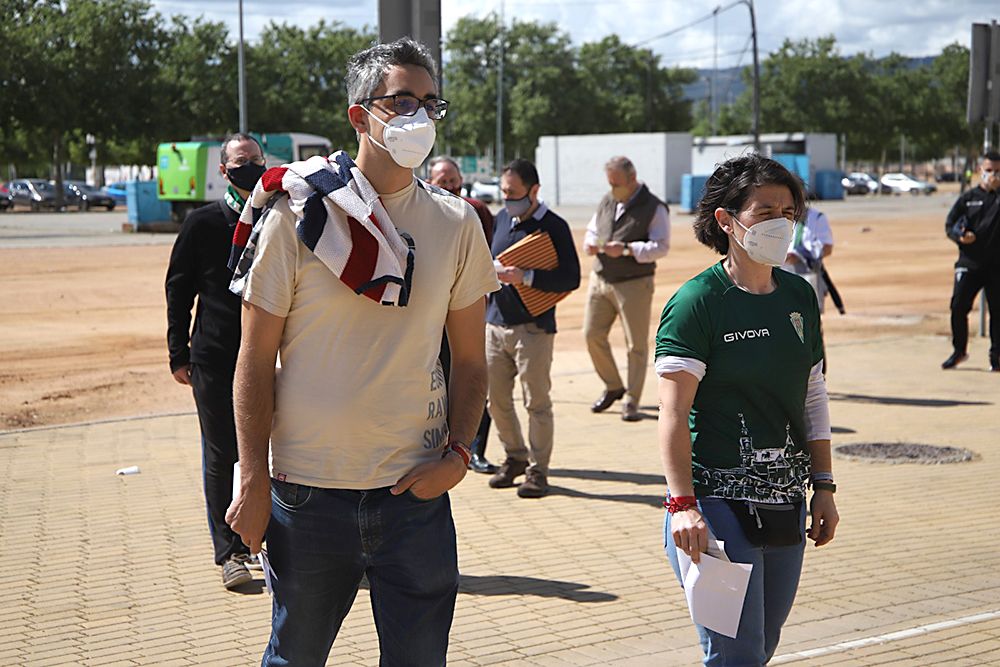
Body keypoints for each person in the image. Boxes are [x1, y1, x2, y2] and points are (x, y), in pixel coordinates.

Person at [224, 38, 500, 665]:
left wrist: (459, 455)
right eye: (402, 101)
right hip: (307, 496)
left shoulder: (458, 224)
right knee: (294, 656)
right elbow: (253, 359)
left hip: (416, 497)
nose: (418, 116)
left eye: (431, 103)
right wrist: (254, 478)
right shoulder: (298, 216)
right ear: (359, 114)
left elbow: (470, 362)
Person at [655, 154, 839, 665]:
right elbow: (672, 414)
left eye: (789, 210)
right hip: (714, 510)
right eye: (764, 211)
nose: (780, 222)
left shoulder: (800, 297)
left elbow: (813, 396)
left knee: (761, 648)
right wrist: (682, 505)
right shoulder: (696, 303)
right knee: (735, 654)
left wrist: (823, 487)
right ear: (725, 219)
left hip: (786, 501)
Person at [165, 132, 266, 590]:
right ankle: (229, 552)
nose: (251, 167)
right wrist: (177, 354)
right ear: (224, 171)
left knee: (269, 452)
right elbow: (178, 289)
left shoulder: (279, 214)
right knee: (222, 452)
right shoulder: (204, 222)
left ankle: (264, 542)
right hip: (215, 356)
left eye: (257, 160)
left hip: (267, 354)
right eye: (241, 161)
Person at [485, 158, 580, 498]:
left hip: (534, 329)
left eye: (513, 193)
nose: (506, 198)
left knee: (536, 402)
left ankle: (538, 471)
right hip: (495, 324)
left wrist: (525, 276)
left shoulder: (554, 226)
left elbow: (571, 278)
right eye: (504, 192)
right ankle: (514, 457)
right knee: (496, 401)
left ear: (534, 190)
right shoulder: (500, 219)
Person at [582, 156, 670, 422]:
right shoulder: (608, 200)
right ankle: (613, 386)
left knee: (635, 345)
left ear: (632, 180)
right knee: (591, 335)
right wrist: (590, 243)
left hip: (634, 282)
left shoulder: (654, 207)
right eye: (609, 183)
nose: (612, 188)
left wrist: (629, 250)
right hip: (601, 279)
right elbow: (592, 228)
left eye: (616, 183)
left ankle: (631, 400)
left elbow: (661, 246)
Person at [428, 155, 498, 473]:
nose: (451, 187)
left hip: (468, 311)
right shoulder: (419, 213)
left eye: (454, 181)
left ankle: (474, 448)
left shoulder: (476, 212)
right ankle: (439, 443)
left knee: (472, 375)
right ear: (429, 182)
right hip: (430, 318)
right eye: (444, 182)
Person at [943, 150, 1000, 371]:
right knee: (958, 306)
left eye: (997, 171)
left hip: (996, 266)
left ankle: (996, 356)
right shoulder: (968, 198)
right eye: (988, 170)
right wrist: (961, 236)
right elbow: (950, 224)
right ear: (980, 170)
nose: (992, 175)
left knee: (997, 311)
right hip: (969, 263)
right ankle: (959, 351)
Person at [780, 206, 833, 312]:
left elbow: (827, 248)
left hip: (809, 274)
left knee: (810, 316)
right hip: (784, 273)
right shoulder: (782, 218)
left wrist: (801, 256)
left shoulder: (817, 218)